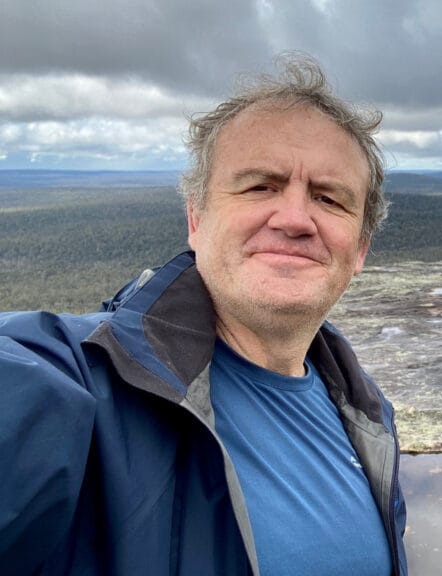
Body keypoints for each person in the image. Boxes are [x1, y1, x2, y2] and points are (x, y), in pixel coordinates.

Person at [0, 53, 407, 575]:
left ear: (360, 250)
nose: (294, 218)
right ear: (196, 218)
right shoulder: (78, 380)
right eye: (260, 185)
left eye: (329, 199)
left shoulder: (367, 414)